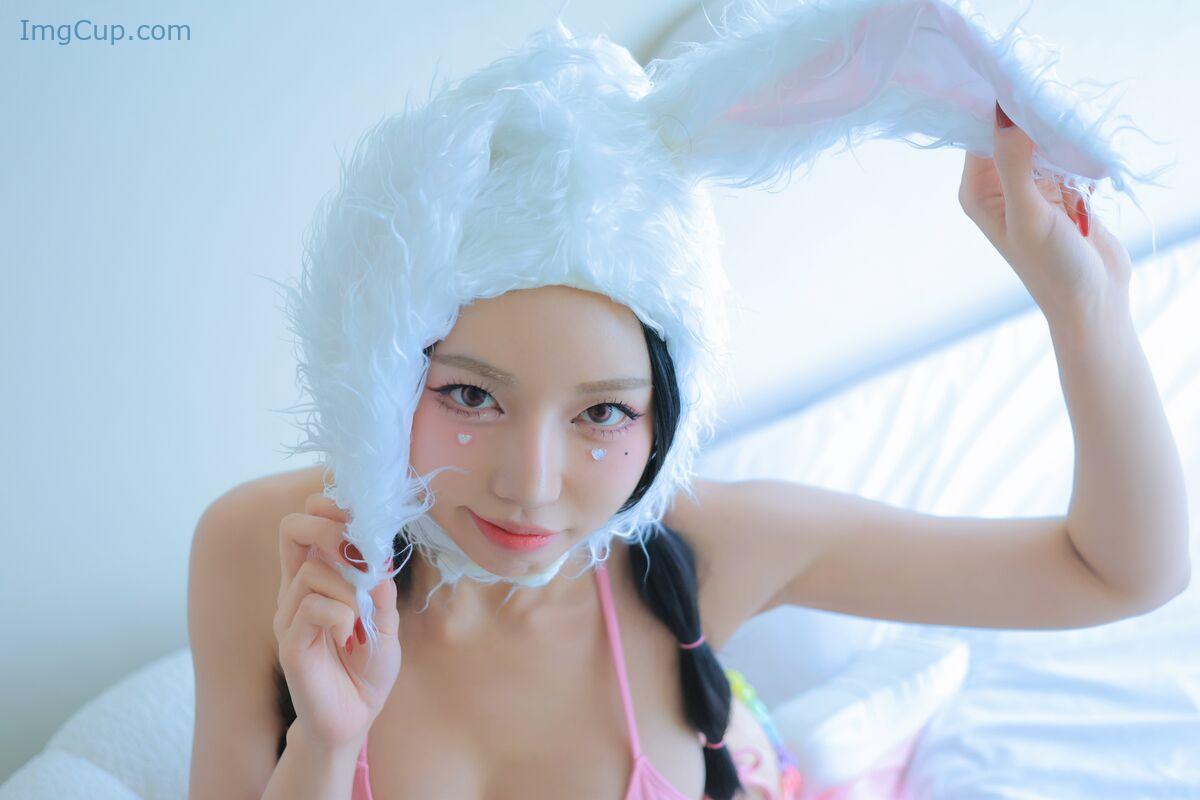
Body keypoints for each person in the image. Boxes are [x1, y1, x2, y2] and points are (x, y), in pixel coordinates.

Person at [188, 2, 1183, 799]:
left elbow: (1114, 574)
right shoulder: (268, 554)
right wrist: (326, 742)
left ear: (667, 412)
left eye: (603, 413)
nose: (531, 484)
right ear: (379, 368)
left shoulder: (706, 549)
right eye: (471, 395)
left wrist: (1084, 308)